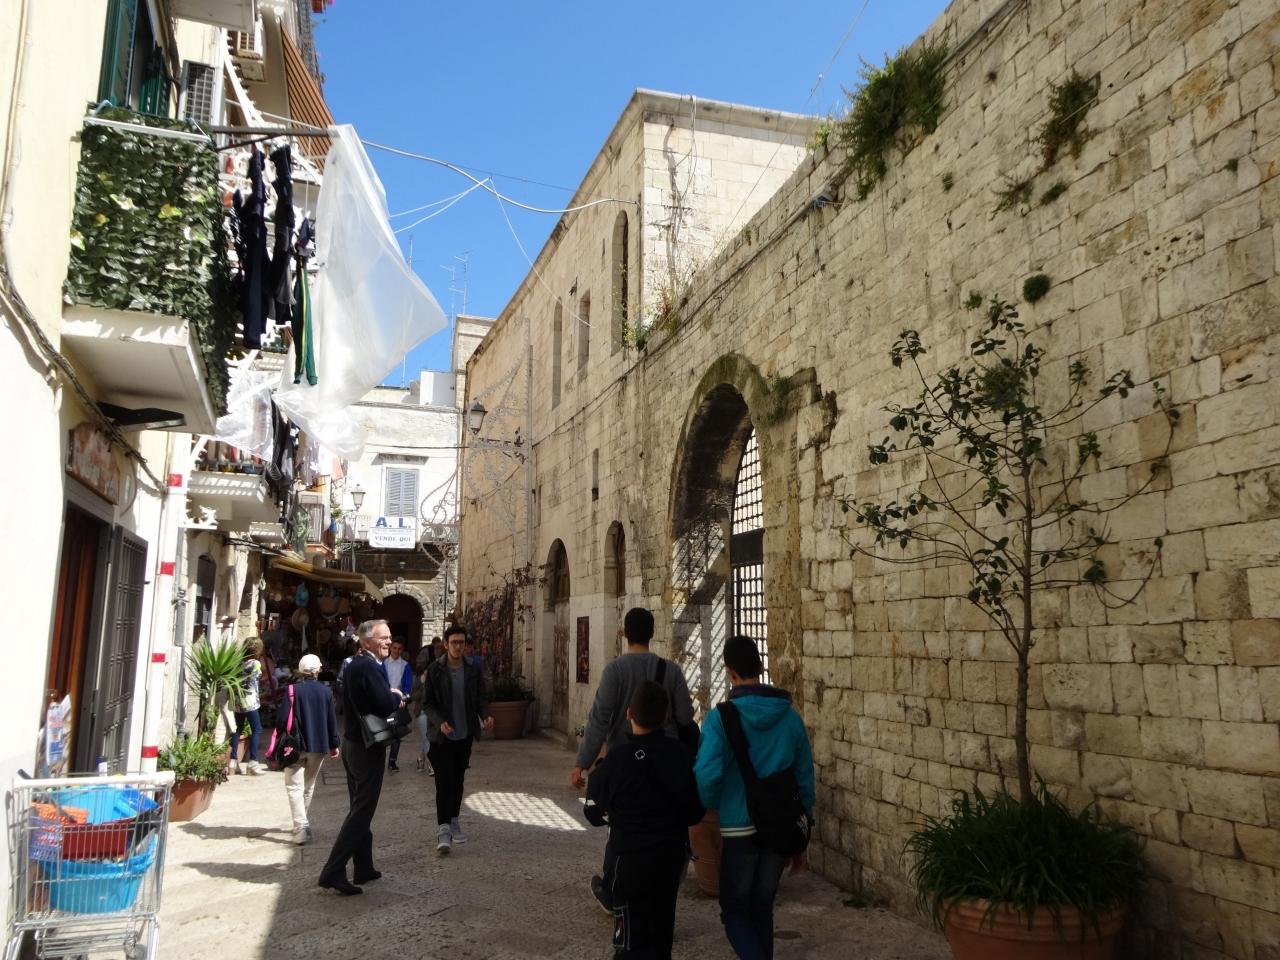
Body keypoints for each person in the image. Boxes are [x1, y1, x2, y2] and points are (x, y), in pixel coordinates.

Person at [694, 635, 815, 960]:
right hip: (778, 825)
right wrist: (803, 827)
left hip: (738, 825)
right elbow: (805, 778)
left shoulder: (720, 718)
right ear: (760, 667)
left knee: (734, 911)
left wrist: (714, 803)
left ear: (730, 671)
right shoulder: (790, 718)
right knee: (762, 908)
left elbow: (706, 774)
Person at [571, 607, 696, 913]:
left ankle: (614, 890)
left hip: (625, 760)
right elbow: (685, 716)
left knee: (622, 827)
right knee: (664, 822)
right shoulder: (671, 671)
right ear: (652, 633)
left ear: (624, 633)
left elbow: (599, 719)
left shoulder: (615, 671)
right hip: (667, 759)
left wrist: (582, 763)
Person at [584, 681, 704, 960]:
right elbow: (695, 811)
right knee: (662, 932)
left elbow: (593, 807)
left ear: (629, 713)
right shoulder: (680, 756)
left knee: (629, 942)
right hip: (669, 859)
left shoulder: (617, 759)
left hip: (630, 861)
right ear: (666, 717)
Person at [317, 619, 406, 896]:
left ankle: (363, 866)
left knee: (359, 805)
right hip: (367, 748)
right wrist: (396, 696)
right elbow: (383, 703)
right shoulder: (368, 666)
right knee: (362, 811)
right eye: (383, 638)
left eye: (389, 637)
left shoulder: (353, 664)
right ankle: (333, 870)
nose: (389, 642)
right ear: (367, 641)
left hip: (353, 743)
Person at [422, 623, 493, 855]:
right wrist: (439, 721)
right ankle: (443, 829)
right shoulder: (435, 669)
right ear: (446, 644)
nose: (458, 647)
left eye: (461, 642)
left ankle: (453, 819)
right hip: (441, 737)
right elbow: (427, 703)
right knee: (443, 782)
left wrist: (486, 714)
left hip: (464, 734)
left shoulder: (473, 669)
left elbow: (481, 697)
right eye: (454, 642)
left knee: (458, 779)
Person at [279, 653, 340, 844]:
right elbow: (331, 720)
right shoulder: (326, 692)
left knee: (294, 786)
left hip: (294, 746)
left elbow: (282, 720)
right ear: (318, 670)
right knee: (308, 786)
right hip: (319, 745)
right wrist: (334, 744)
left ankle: (300, 827)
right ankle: (302, 824)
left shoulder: (292, 690)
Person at [229, 638, 267, 775]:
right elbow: (260, 676)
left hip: (237, 701)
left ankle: (233, 761)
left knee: (237, 730)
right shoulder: (255, 663)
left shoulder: (237, 663)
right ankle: (253, 762)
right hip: (250, 701)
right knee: (256, 729)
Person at [381, 637, 413, 772]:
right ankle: (380, 760)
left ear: (402, 650)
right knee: (382, 732)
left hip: (398, 702)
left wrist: (404, 698)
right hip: (384, 701)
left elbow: (408, 686)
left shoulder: (405, 665)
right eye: (394, 648)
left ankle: (392, 761)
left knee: (396, 733)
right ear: (390, 648)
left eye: (399, 649)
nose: (396, 651)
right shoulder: (383, 664)